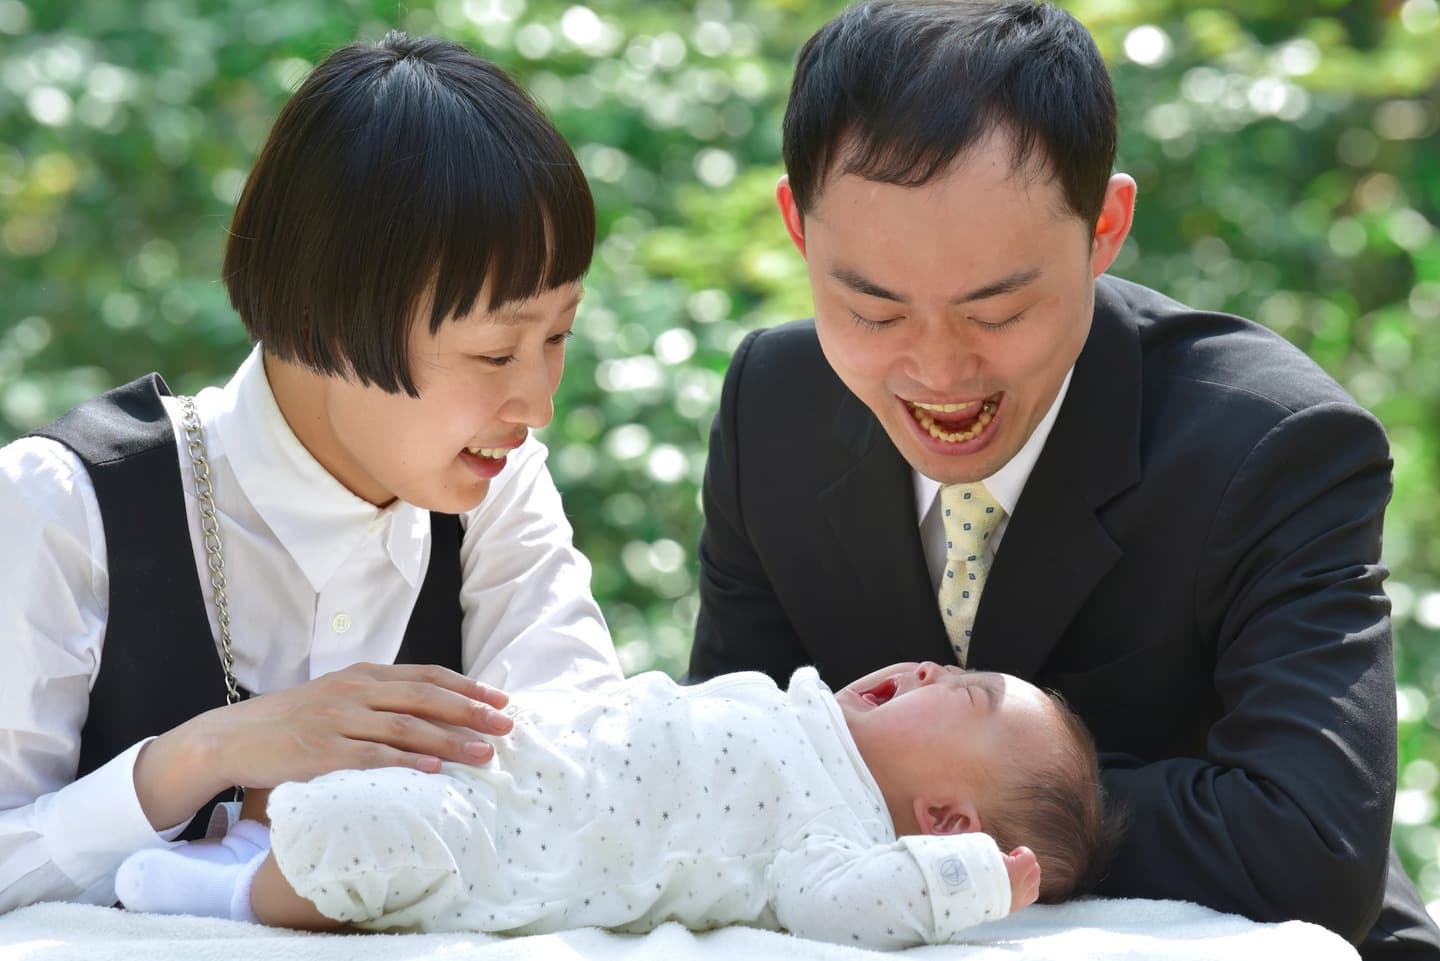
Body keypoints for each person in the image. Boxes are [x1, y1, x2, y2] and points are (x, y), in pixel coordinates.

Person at [685, 1, 1440, 958]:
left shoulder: (1275, 444)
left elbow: (1309, 845)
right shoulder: (773, 406)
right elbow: (724, 767)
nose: (939, 372)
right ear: (798, 227)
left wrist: (950, 804)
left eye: (996, 311)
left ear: (1105, 227)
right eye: (873, 312)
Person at [0, 32, 622, 915]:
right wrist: (198, 756)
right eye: (494, 350)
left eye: (558, 336)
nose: (537, 402)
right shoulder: (62, 507)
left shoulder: (499, 494)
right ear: (322, 321)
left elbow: (590, 784)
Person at [113, 661, 1112, 949]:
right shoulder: (800, 714)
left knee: (368, 834)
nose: (935, 665)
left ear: (945, 820)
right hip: (518, 758)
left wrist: (974, 880)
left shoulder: (836, 833)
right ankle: (245, 833)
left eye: (965, 693)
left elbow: (845, 911)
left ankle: (238, 896)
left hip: (509, 847)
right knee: (364, 734)